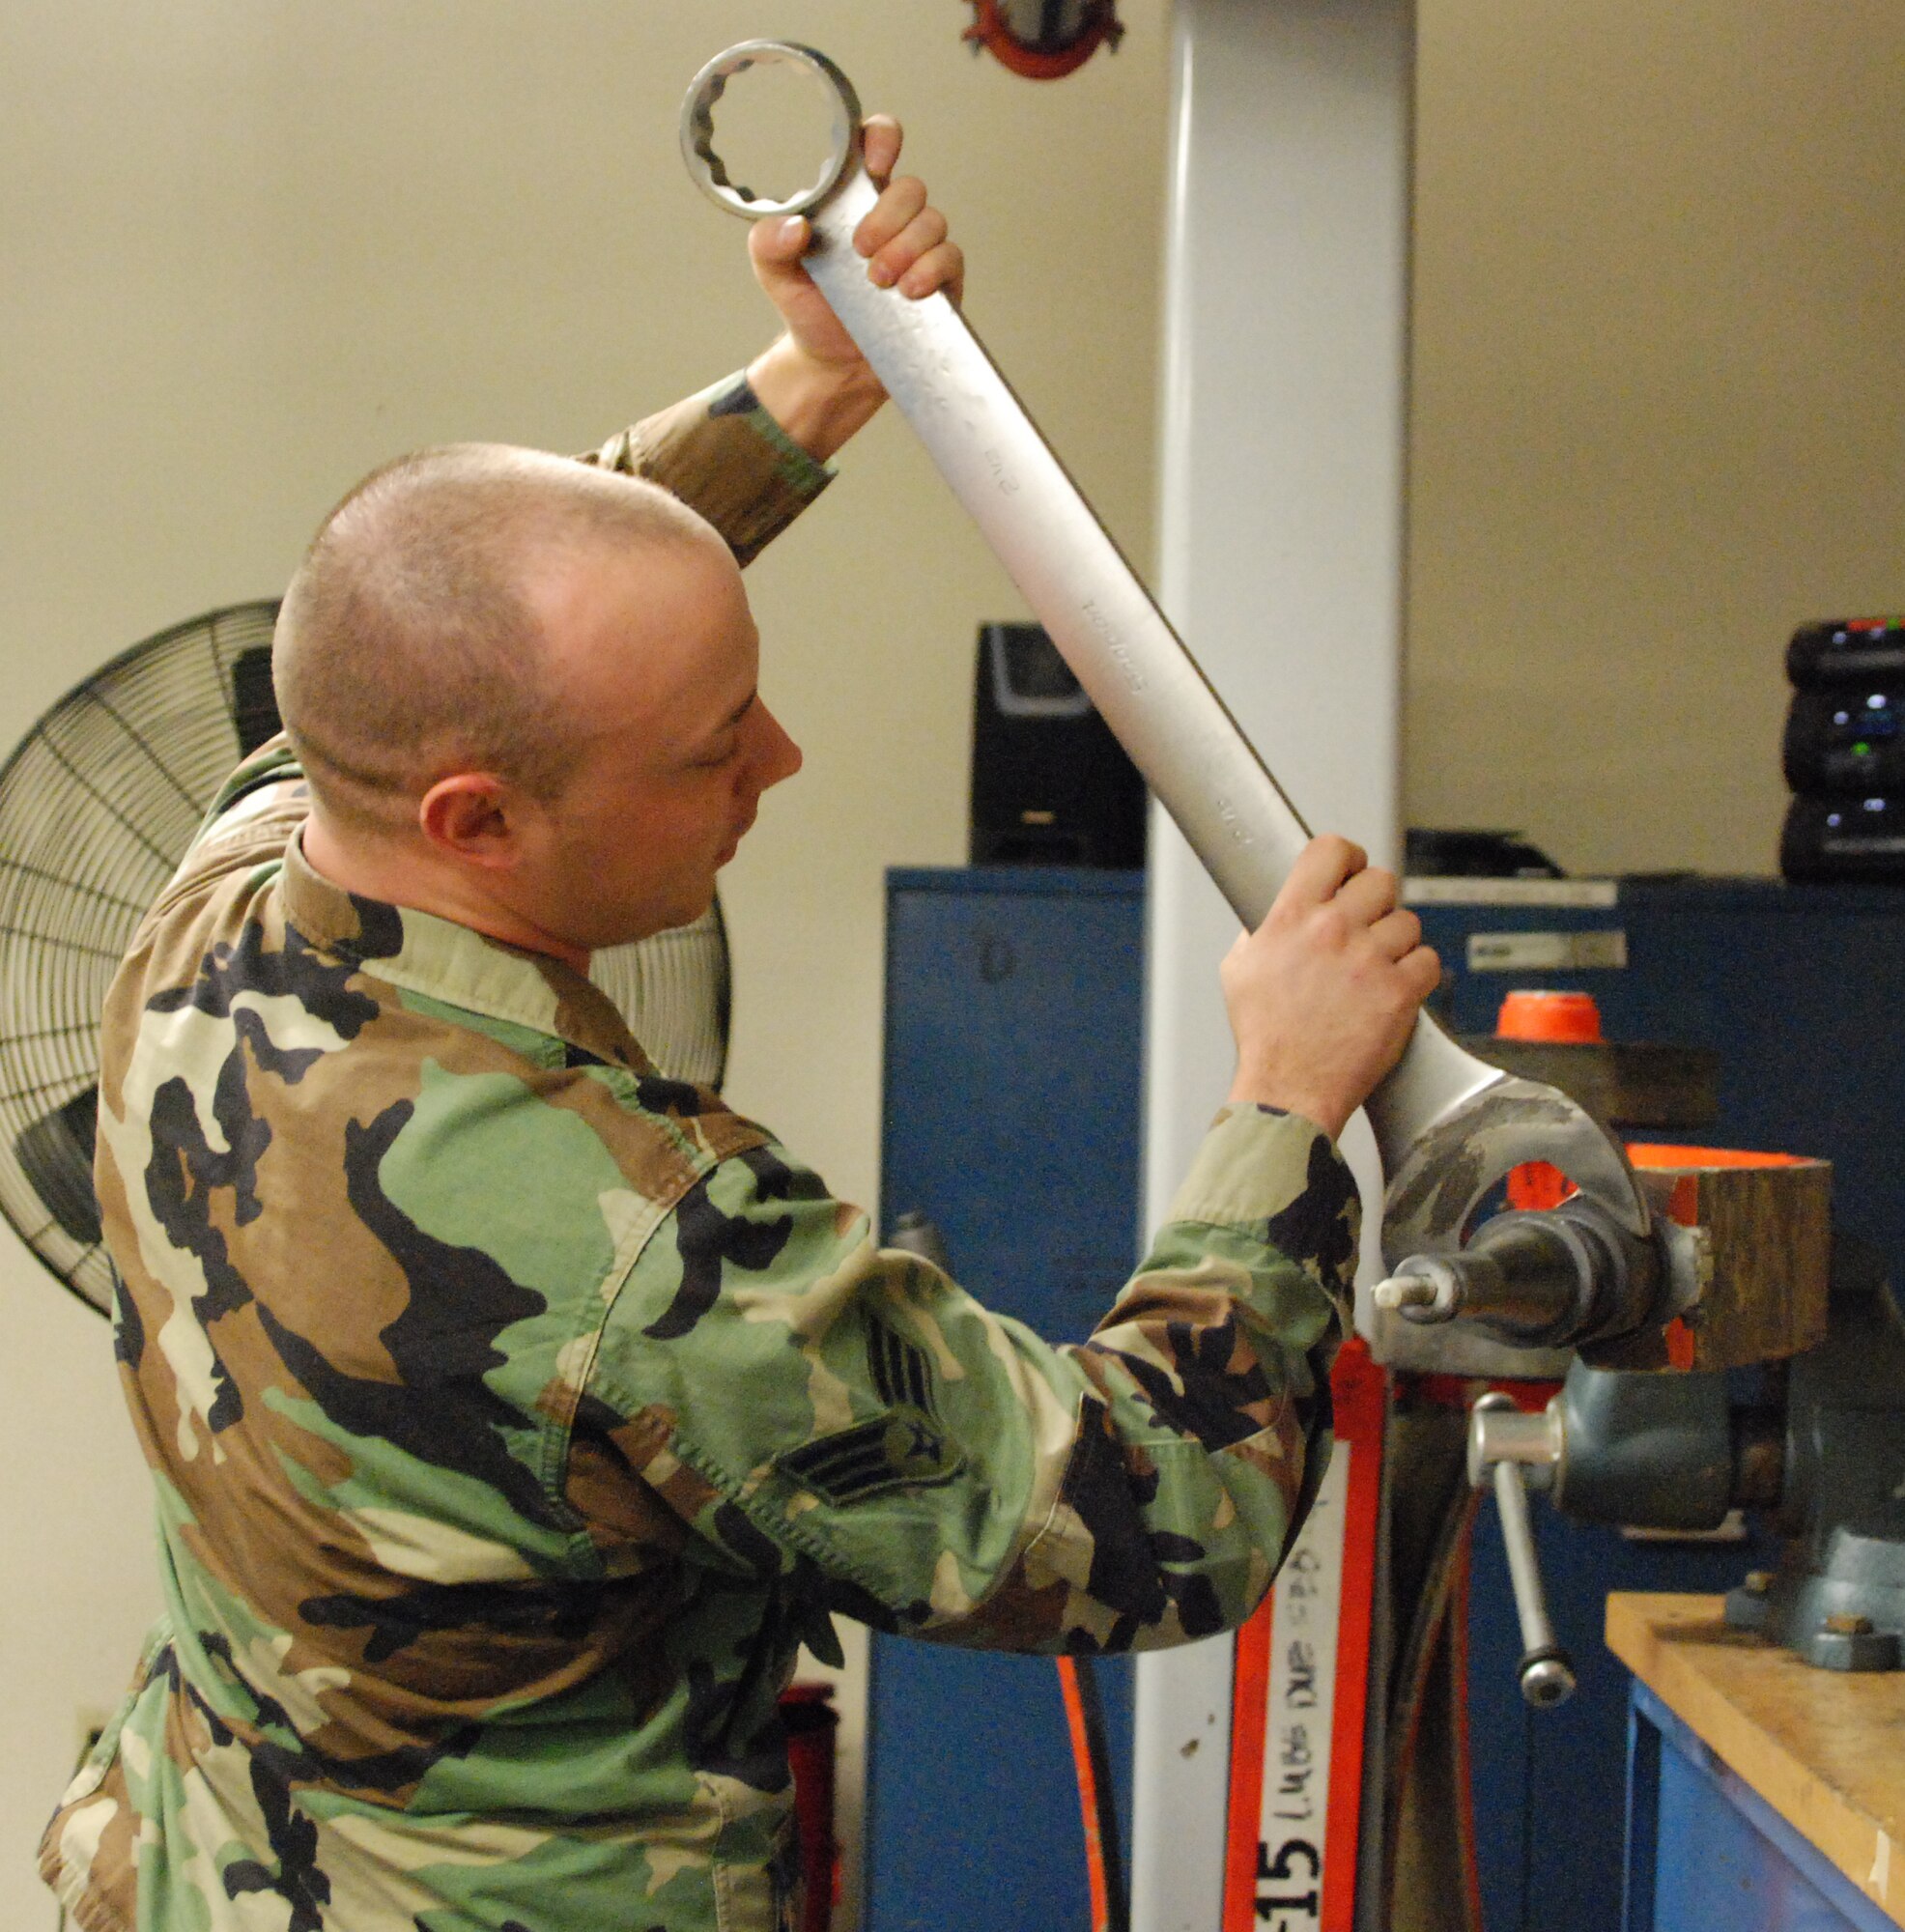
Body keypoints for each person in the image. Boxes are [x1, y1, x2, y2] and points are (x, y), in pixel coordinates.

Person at [41, 119, 1437, 1932]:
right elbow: (1154, 1513)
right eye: (716, 747)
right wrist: (1287, 1105)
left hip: (192, 1874)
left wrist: (817, 381)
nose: (780, 758)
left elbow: (485, 596)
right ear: (476, 819)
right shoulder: (629, 1244)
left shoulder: (225, 886)